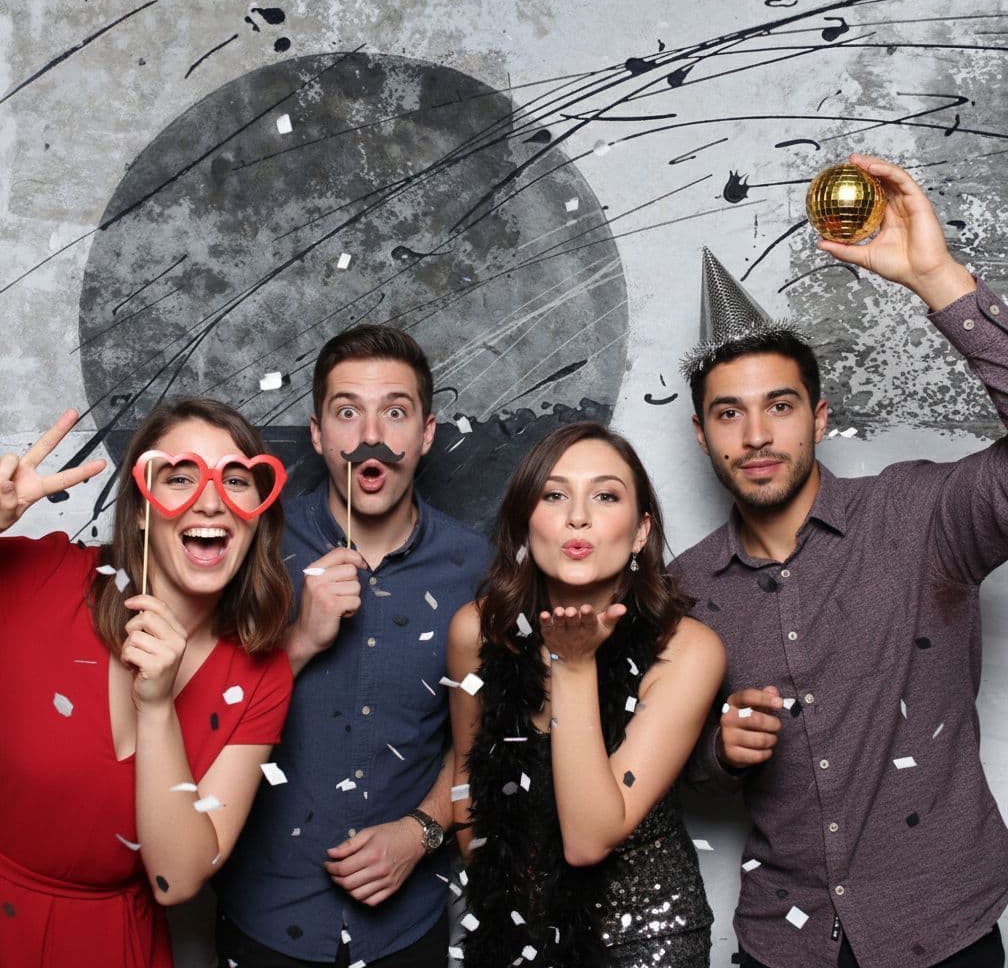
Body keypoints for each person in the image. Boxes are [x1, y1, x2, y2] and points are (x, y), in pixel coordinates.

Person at [673, 155, 1008, 968]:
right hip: (782, 943)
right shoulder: (681, 589)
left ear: (819, 418)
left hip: (944, 931)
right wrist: (719, 753)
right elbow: (673, 769)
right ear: (701, 435)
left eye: (779, 406)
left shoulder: (920, 517)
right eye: (729, 414)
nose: (757, 435)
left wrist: (936, 278)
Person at [216, 325, 491, 968]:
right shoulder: (252, 552)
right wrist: (298, 642)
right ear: (318, 434)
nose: (372, 435)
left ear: (426, 433)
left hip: (406, 926)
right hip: (264, 915)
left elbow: (486, 737)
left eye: (395, 412)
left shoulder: (476, 567)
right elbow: (196, 718)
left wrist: (423, 830)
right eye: (347, 412)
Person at [0, 399, 293, 968]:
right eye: (180, 477)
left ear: (258, 514)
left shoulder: (260, 673)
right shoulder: (45, 577)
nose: (210, 501)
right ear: (143, 510)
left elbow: (175, 881)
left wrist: (156, 709)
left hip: (112, 945)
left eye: (235, 480)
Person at [447, 421, 725, 968]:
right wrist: (509, 909)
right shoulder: (476, 632)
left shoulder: (687, 651)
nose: (578, 516)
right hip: (515, 936)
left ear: (641, 532)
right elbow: (467, 780)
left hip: (644, 942)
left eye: (605, 496)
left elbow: (587, 841)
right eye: (554, 496)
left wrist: (573, 664)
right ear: (525, 523)